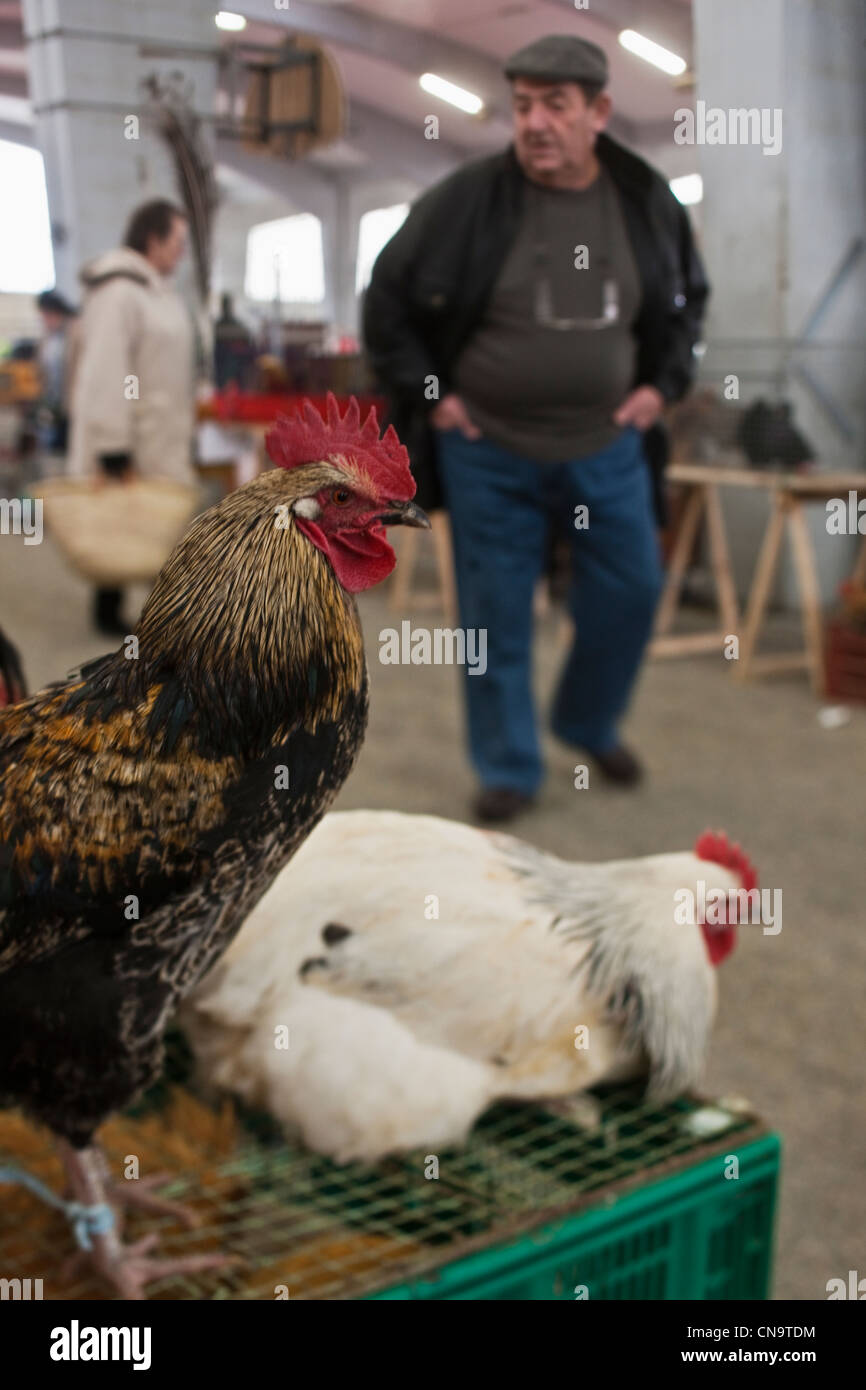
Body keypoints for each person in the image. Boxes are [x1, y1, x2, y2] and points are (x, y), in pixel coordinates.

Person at [364, 34, 708, 822]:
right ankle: (510, 764)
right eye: (523, 106)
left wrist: (662, 385)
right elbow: (388, 299)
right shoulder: (465, 202)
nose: (536, 123)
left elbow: (687, 303)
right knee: (494, 613)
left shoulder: (646, 201)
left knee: (631, 590)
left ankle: (585, 721)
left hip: (607, 446)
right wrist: (432, 394)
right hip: (489, 448)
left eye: (556, 105)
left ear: (599, 113)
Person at [68, 198, 194, 635]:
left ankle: (151, 610)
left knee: (151, 525)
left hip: (160, 430)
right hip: (131, 434)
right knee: (119, 523)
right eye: (177, 241)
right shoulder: (118, 291)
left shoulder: (157, 292)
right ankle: (110, 611)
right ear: (152, 238)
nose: (182, 251)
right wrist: (112, 445)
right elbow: (107, 371)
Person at [34, 289, 76, 457]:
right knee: (54, 449)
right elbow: (41, 369)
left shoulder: (75, 331)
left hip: (71, 403)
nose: (45, 319)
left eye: (48, 314)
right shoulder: (46, 338)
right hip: (51, 402)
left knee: (69, 446)